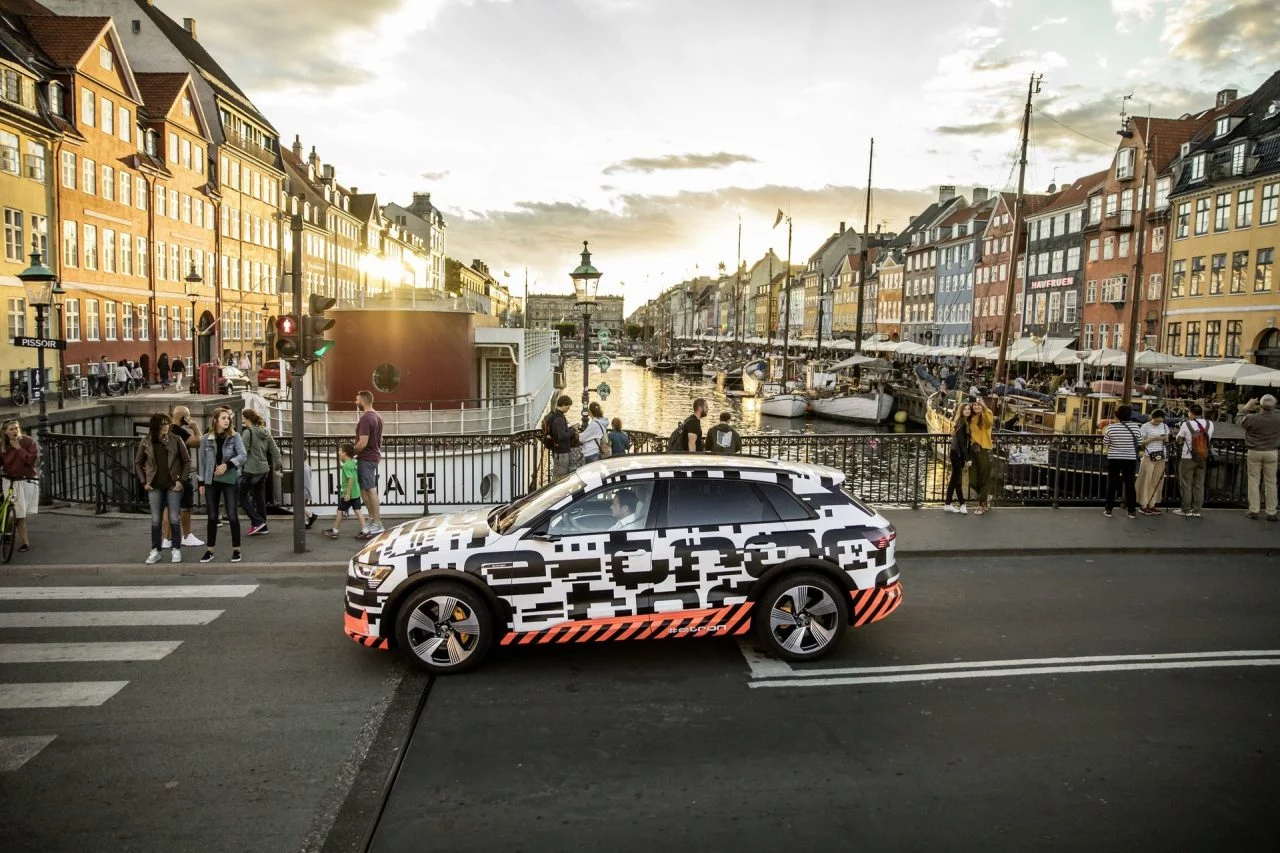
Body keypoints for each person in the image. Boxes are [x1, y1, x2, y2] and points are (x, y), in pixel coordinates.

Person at [135, 412, 189, 564]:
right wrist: (144, 482)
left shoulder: (176, 439)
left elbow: (187, 461)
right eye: (162, 424)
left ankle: (176, 549)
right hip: (154, 486)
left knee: (173, 518)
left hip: (173, 484)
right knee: (156, 520)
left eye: (167, 423)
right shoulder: (146, 441)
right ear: (155, 426)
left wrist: (181, 481)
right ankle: (155, 550)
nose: (166, 426)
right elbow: (138, 463)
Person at [197, 406, 247, 563]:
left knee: (232, 515)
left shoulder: (235, 436)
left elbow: (243, 455)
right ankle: (210, 550)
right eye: (223, 418)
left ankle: (236, 550)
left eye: (228, 418)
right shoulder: (206, 438)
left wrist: (228, 464)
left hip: (229, 480)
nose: (227, 420)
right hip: (211, 481)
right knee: (212, 516)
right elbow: (202, 462)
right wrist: (201, 482)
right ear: (215, 420)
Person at [162, 406, 204, 548]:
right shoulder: (179, 432)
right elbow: (199, 442)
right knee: (185, 507)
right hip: (181, 474)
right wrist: (195, 427)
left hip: (167, 475)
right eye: (189, 416)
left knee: (168, 507)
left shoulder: (165, 431)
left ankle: (166, 539)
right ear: (183, 418)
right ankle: (187, 536)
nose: (190, 419)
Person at [1236, 394, 1279, 520]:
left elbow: (1239, 420)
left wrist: (1247, 407)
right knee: (1271, 482)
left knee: (1254, 481)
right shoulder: (1278, 418)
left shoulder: (1252, 418)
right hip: (1272, 451)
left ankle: (1254, 509)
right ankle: (1271, 512)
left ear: (1261, 405)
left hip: (1254, 451)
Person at [0, 419, 40, 553]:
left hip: (26, 480)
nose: (14, 431)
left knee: (20, 513)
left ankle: (7, 533)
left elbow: (31, 460)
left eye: (16, 428)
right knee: (18, 511)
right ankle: (24, 542)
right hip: (10, 480)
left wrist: (19, 449)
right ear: (5, 432)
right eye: (11, 429)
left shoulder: (28, 441)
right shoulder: (2, 445)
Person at [239, 408, 280, 536]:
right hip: (264, 470)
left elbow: (243, 453)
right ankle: (263, 526)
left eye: (243, 418)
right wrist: (278, 464)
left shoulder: (247, 433)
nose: (242, 421)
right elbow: (275, 450)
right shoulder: (265, 431)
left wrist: (235, 465)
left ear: (248, 419)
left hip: (251, 470)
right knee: (259, 497)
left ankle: (257, 521)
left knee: (241, 496)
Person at [353, 390, 385, 539]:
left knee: (369, 489)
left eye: (357, 399)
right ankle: (373, 520)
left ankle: (377, 523)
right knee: (365, 489)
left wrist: (351, 453)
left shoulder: (366, 418)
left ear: (364, 401)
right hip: (373, 456)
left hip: (366, 457)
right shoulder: (377, 416)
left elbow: (363, 442)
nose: (355, 402)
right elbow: (379, 439)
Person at [1174, 402, 1213, 518]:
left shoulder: (1187, 424)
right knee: (1199, 484)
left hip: (1188, 457)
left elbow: (1179, 440)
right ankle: (1197, 510)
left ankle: (1186, 509)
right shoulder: (1209, 424)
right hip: (1203, 457)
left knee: (1186, 483)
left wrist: (1178, 436)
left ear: (1190, 413)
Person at [1102, 405, 1142, 519]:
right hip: (1130, 459)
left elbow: (1105, 443)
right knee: (1129, 484)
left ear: (1117, 415)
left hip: (1114, 458)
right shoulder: (1135, 427)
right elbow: (1139, 442)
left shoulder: (1111, 428)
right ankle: (1132, 511)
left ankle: (1109, 509)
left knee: (1112, 484)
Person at [325, 442, 366, 539]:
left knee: (340, 511)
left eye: (340, 451)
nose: (338, 452)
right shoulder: (352, 463)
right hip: (355, 492)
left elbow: (350, 479)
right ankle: (365, 530)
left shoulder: (346, 466)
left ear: (344, 453)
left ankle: (335, 531)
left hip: (349, 494)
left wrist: (347, 494)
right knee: (357, 510)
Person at [1136, 409, 1170, 516]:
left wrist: (1165, 439)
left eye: (1160, 421)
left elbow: (1167, 440)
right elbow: (1141, 442)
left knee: (1157, 481)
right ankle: (1143, 504)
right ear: (1152, 417)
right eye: (1156, 421)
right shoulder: (1145, 426)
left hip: (1161, 455)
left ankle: (1152, 503)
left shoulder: (1164, 426)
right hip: (1149, 455)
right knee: (1146, 479)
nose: (1158, 423)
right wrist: (1154, 438)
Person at [966, 398, 994, 514]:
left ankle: (981, 504)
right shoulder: (971, 418)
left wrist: (984, 407)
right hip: (973, 450)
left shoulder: (986, 414)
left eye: (979, 405)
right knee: (972, 480)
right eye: (974, 405)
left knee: (984, 478)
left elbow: (989, 423)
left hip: (984, 449)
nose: (976, 407)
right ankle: (985, 496)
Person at [944, 403, 972, 514]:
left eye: (968, 409)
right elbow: (961, 442)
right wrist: (967, 458)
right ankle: (962, 504)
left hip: (957, 453)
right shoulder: (962, 423)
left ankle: (948, 503)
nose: (967, 410)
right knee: (957, 479)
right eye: (965, 409)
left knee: (954, 480)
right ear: (961, 411)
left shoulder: (965, 422)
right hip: (957, 454)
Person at [544, 395, 575, 479]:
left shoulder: (554, 415)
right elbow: (562, 436)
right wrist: (573, 430)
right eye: (568, 406)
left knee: (557, 472)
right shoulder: (559, 419)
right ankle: (556, 491)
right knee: (561, 475)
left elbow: (559, 433)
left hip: (556, 450)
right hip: (562, 451)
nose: (569, 408)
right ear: (564, 404)